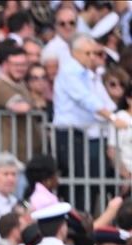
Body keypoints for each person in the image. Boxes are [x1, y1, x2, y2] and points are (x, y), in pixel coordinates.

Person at [54, 34, 129, 211]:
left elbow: (98, 99)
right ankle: (77, 219)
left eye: (93, 53)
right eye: (87, 53)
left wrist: (114, 113)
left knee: (85, 179)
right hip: (68, 132)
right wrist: (112, 118)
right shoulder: (70, 72)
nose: (92, 57)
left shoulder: (85, 73)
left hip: (80, 133)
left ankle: (82, 218)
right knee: (78, 180)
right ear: (74, 52)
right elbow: (87, 100)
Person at [0, 40, 41, 166]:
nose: (20, 68)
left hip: (24, 156)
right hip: (7, 158)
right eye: (16, 65)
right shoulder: (0, 85)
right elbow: (21, 107)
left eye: (23, 64)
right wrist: (34, 104)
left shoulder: (21, 84)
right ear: (5, 65)